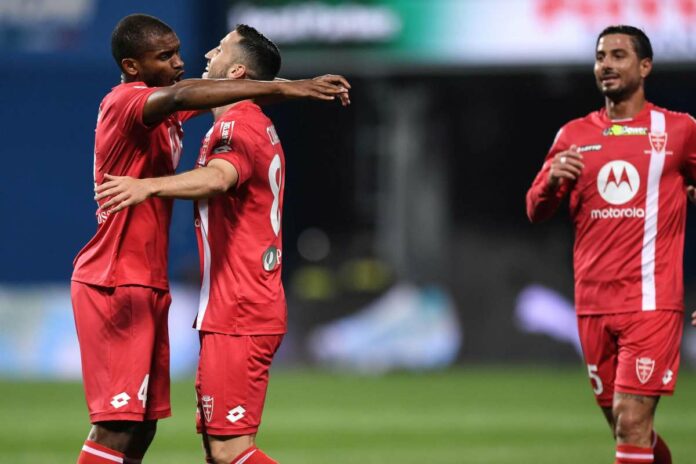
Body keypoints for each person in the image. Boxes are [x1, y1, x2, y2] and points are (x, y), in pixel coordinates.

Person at [71, 13, 350, 464]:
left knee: (143, 430)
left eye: (180, 52)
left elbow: (224, 97)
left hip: (165, 287)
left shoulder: (227, 122)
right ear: (132, 66)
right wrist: (290, 88)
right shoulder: (127, 102)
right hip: (114, 280)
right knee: (121, 427)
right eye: (166, 56)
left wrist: (288, 87)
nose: (183, 62)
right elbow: (190, 94)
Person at [526, 24, 696, 464]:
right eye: (601, 56)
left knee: (631, 420)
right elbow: (535, 210)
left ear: (645, 66)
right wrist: (550, 182)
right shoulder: (573, 136)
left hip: (652, 302)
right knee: (629, 429)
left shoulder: (678, 131)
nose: (606, 64)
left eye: (619, 55)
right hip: (593, 305)